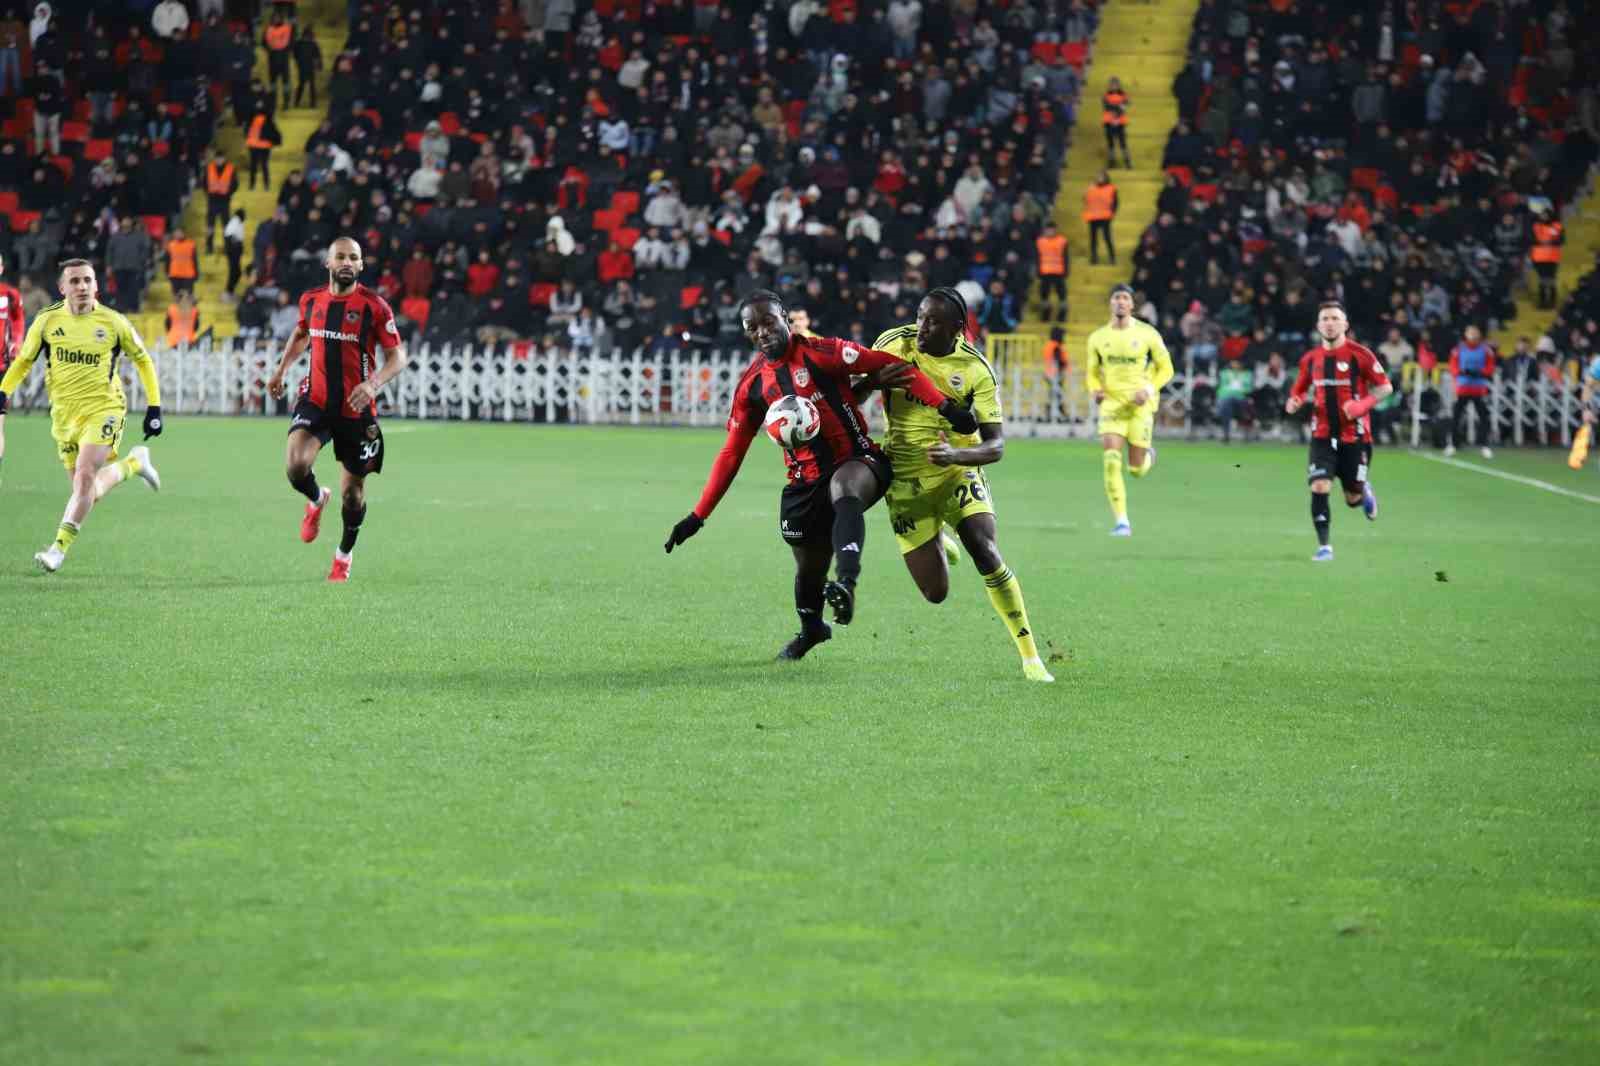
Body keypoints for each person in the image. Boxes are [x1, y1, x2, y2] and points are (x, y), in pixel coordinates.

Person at [663, 289, 978, 659]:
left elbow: (894, 367)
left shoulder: (824, 352)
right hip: (803, 482)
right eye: (753, 327)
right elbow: (732, 452)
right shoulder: (753, 386)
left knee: (844, 489)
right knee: (808, 568)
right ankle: (812, 628)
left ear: (784, 317)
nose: (762, 332)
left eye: (768, 322)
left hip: (859, 460)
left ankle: (846, 582)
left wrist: (946, 407)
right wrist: (697, 516)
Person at [852, 288, 1054, 682]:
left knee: (984, 548)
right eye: (920, 316)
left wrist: (957, 457)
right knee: (935, 593)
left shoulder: (975, 368)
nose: (921, 327)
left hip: (957, 470)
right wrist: (872, 380)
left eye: (932, 322)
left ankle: (1030, 656)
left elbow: (995, 445)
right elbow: (852, 397)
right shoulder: (893, 343)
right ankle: (939, 534)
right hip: (906, 479)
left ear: (957, 329)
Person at [0, 259, 164, 572]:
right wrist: (4, 391)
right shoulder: (47, 322)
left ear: (97, 286)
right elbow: (23, 361)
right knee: (86, 491)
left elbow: (143, 360)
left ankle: (57, 550)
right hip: (64, 416)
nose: (82, 287)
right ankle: (134, 464)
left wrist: (154, 407)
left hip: (104, 408)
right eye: (74, 281)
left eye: (88, 280)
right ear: (62, 288)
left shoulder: (113, 322)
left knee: (86, 474)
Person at [265, 237, 407, 582]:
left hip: (356, 409)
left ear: (361, 265)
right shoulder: (311, 300)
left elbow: (398, 356)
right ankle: (316, 498)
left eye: (353, 257)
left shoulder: (375, 306)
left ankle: (343, 554)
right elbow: (301, 334)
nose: (346, 262)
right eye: (340, 256)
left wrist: (372, 384)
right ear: (328, 263)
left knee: (353, 496)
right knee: (296, 465)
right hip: (316, 398)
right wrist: (282, 369)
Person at [1285, 302, 1392, 562]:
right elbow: (1298, 390)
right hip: (1322, 434)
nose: (1330, 323)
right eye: (1325, 319)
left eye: (1335, 318)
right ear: (1318, 325)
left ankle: (1363, 488)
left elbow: (1385, 387)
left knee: (1352, 498)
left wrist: (1361, 405)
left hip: (1355, 437)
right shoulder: (1310, 359)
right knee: (1320, 486)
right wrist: (1294, 401)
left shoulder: (1360, 355)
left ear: (1345, 324)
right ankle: (1324, 547)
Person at [1086, 284, 1173, 536]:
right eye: (1116, 298)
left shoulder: (1148, 334)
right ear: (1110, 303)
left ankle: (1147, 458)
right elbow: (1091, 373)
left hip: (1140, 405)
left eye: (1125, 298)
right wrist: (1095, 390)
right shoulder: (1098, 337)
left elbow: (1166, 369)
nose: (1121, 302)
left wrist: (1148, 388)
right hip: (1112, 405)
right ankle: (1122, 521)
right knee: (1111, 460)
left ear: (1132, 305)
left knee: (1135, 470)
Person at [1445, 324, 1496, 459]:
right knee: (1456, 417)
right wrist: (1462, 372)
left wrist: (1481, 372)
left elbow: (1490, 367)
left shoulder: (1486, 350)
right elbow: (1453, 366)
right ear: (1466, 335)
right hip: (1463, 388)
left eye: (1475, 333)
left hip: (1479, 388)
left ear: (1479, 335)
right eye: (1470, 333)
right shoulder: (1458, 350)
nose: (1473, 336)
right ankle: (1453, 445)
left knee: (1484, 417)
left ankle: (1484, 445)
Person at [203, 149, 237, 254]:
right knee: (210, 226)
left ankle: (227, 247)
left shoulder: (230, 169)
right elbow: (204, 182)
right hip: (212, 200)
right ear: (215, 159)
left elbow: (235, 184)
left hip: (224, 201)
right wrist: (208, 193)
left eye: (221, 158)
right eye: (217, 159)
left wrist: (228, 193)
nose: (219, 160)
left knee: (226, 226)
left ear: (224, 159)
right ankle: (209, 247)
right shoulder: (209, 168)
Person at [1035, 220, 1068, 322]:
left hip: (1058, 271)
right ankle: (1045, 315)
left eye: (1051, 230)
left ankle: (1062, 316)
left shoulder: (1062, 241)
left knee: (1062, 295)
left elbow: (1066, 257)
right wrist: (1038, 270)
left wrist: (1066, 270)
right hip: (1045, 272)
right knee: (1044, 295)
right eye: (1048, 230)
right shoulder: (1040, 241)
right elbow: (1037, 257)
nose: (1050, 232)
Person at [1083, 170, 1118, 265]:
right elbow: (1086, 200)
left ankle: (1112, 258)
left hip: (1105, 217)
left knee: (1107, 238)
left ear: (1106, 178)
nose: (1099, 178)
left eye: (1101, 177)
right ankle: (1094, 258)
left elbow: (1115, 202)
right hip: (1093, 216)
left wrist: (1112, 214)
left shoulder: (1111, 188)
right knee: (1093, 239)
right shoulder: (1091, 188)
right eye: (1098, 176)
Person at [1216, 355, 1253, 443]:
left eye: (1237, 363)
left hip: (1241, 399)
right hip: (1227, 399)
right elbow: (1220, 389)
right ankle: (1226, 434)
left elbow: (1249, 389)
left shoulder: (1247, 374)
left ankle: (1236, 432)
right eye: (1233, 362)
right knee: (1226, 403)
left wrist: (1235, 391)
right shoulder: (1224, 373)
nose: (1235, 364)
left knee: (1230, 403)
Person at [263, 10, 293, 111]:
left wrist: (275, 45)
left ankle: (286, 102)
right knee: (273, 84)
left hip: (283, 60)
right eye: (274, 18)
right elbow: (265, 42)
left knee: (286, 83)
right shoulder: (268, 29)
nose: (276, 19)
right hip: (272, 60)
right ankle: (272, 103)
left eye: (277, 17)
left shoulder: (286, 28)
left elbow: (288, 42)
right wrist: (273, 46)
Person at [0, 251, 23, 376]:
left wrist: (16, 343)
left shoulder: (11, 294)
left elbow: (18, 319)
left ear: (1, 269)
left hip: (2, 364)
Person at [1101, 75, 1131, 168]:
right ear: (1109, 85)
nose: (1113, 86)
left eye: (1115, 84)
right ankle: (1111, 161)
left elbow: (1126, 105)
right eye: (1112, 84)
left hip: (1120, 122)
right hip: (1109, 121)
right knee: (1110, 143)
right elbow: (1106, 107)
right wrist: (1118, 107)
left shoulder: (1124, 95)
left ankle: (1127, 161)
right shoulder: (1106, 95)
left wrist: (1116, 110)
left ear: (1119, 85)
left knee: (1123, 142)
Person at [292, 24, 322, 109]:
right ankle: (308, 103)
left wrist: (319, 66)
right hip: (306, 66)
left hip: (305, 66)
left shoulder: (302, 43)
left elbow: (317, 56)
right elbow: (318, 56)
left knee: (306, 85)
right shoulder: (310, 44)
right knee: (306, 85)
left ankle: (301, 103)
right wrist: (319, 66)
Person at [164, 226, 198, 298]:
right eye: (176, 233)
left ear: (184, 234)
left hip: (188, 275)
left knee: (188, 297)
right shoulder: (170, 245)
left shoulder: (191, 244)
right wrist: (167, 272)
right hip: (175, 275)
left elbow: (194, 260)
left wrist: (196, 273)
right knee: (176, 298)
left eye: (180, 233)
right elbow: (167, 261)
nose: (178, 235)